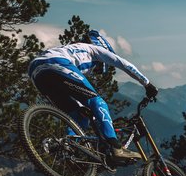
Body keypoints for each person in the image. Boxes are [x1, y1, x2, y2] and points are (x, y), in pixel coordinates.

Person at [28, 30, 158, 160]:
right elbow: (123, 64)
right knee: (98, 102)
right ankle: (115, 146)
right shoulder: (94, 49)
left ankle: (67, 147)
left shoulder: (72, 49)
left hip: (35, 71)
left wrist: (84, 109)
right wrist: (147, 84)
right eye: (98, 67)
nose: (95, 70)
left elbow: (72, 90)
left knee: (78, 114)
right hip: (57, 63)